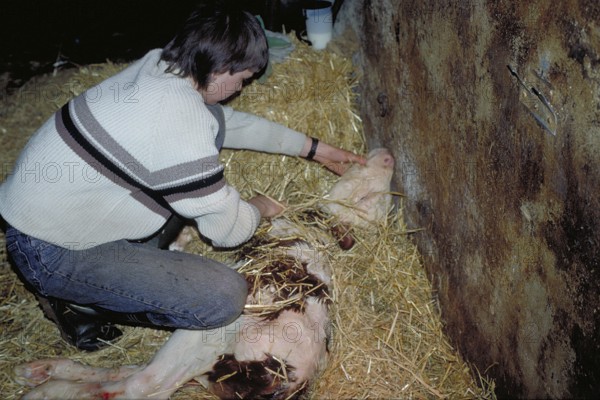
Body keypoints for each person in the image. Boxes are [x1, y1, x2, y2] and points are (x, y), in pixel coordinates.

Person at [0, 1, 365, 351]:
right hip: (50, 252)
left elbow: (228, 126)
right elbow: (227, 231)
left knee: (178, 195)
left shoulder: (161, 68)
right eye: (243, 78)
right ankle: (78, 304)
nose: (242, 89)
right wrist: (258, 207)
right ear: (220, 68)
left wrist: (318, 150)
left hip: (47, 215)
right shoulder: (177, 119)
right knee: (222, 298)